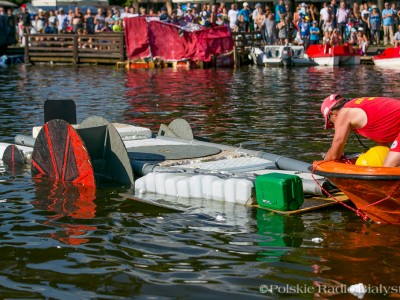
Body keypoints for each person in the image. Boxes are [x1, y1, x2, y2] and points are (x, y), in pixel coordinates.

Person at [321, 95, 400, 167]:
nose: (334, 126)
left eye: (331, 122)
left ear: (333, 113)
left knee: (386, 171)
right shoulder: (358, 106)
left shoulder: (343, 113)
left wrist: (323, 163)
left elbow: (334, 156)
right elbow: (383, 147)